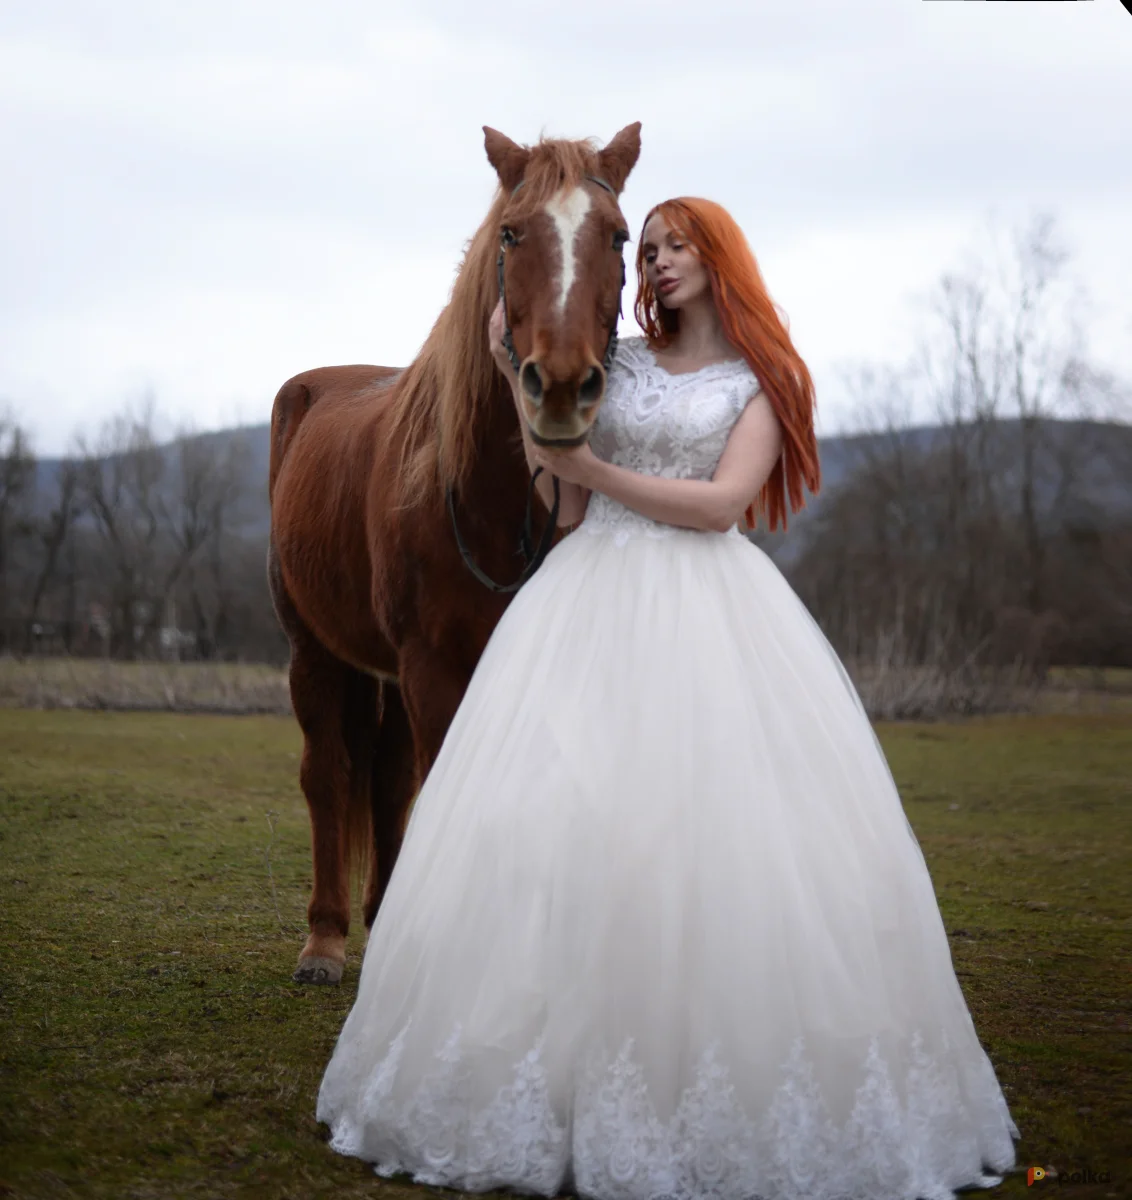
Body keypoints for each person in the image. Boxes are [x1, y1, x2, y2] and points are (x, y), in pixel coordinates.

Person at [316, 197, 1021, 1200]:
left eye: (675, 244)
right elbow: (560, 500)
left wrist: (591, 466)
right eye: (646, 250)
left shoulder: (759, 384)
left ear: (717, 256)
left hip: (707, 615)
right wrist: (525, 391)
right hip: (582, 605)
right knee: (555, 823)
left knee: (714, 840)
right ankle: (548, 1074)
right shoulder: (626, 367)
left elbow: (720, 506)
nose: (657, 261)